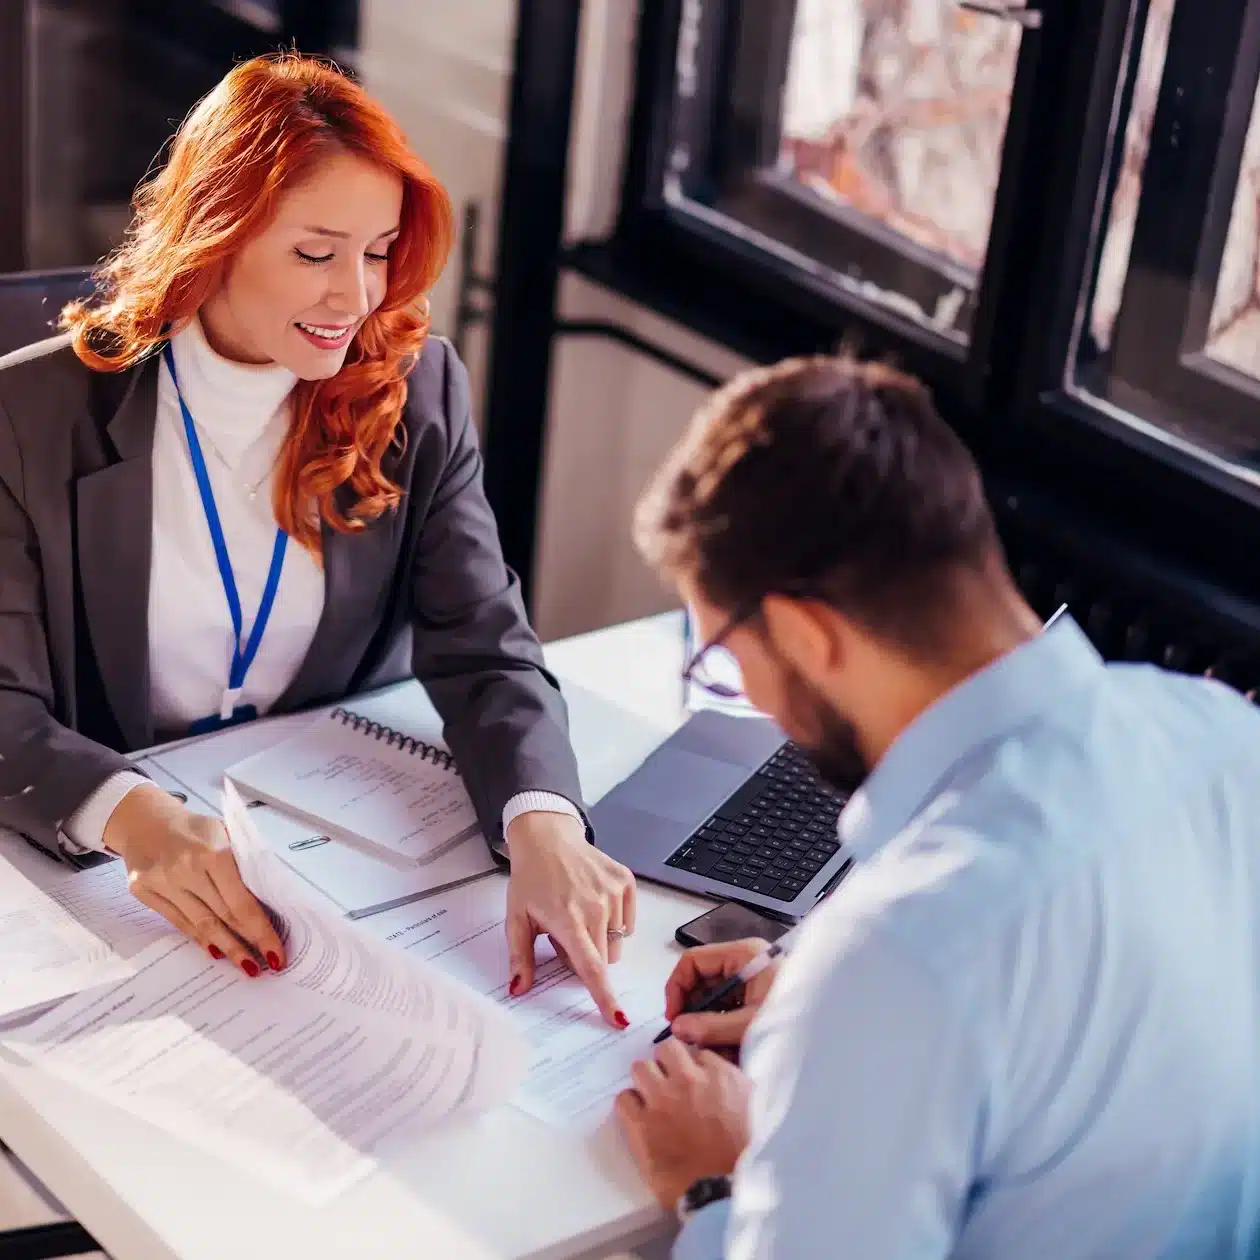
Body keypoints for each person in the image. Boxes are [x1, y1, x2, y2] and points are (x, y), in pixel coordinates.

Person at [0, 53, 634, 1027]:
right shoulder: (30, 412)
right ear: (215, 235)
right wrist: (130, 815)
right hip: (108, 878)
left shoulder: (416, 391)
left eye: (378, 251)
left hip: (332, 877)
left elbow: (485, 645)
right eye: (315, 253)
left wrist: (543, 820)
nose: (357, 296)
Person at [615, 355, 1260, 1257]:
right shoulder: (1224, 739)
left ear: (806, 632)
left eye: (725, 653)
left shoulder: (897, 956)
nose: (750, 694)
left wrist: (718, 1183)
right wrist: (836, 1021)